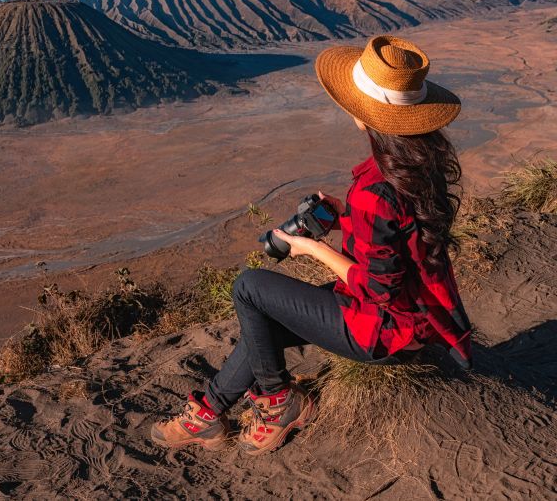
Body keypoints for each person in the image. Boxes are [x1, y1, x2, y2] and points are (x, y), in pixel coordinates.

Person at [150, 35, 474, 456]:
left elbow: (378, 288)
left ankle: (279, 401)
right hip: (419, 318)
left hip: (384, 333)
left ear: (364, 115)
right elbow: (396, 244)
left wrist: (312, 249)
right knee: (262, 324)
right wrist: (344, 218)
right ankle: (209, 414)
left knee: (249, 288)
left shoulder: (376, 189)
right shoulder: (417, 167)